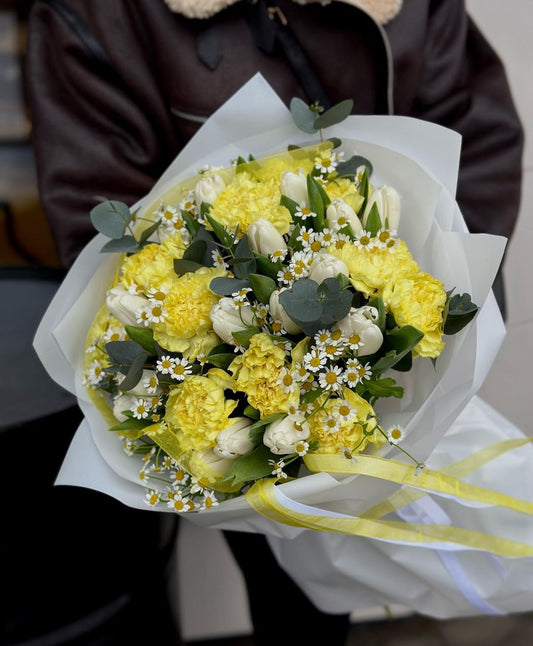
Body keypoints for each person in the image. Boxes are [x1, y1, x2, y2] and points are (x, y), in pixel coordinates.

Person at [22, 1, 523, 645]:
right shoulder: (99, 14)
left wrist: (441, 312)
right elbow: (101, 219)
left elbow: (474, 131)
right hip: (236, 394)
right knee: (293, 594)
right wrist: (233, 374)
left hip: (396, 350)